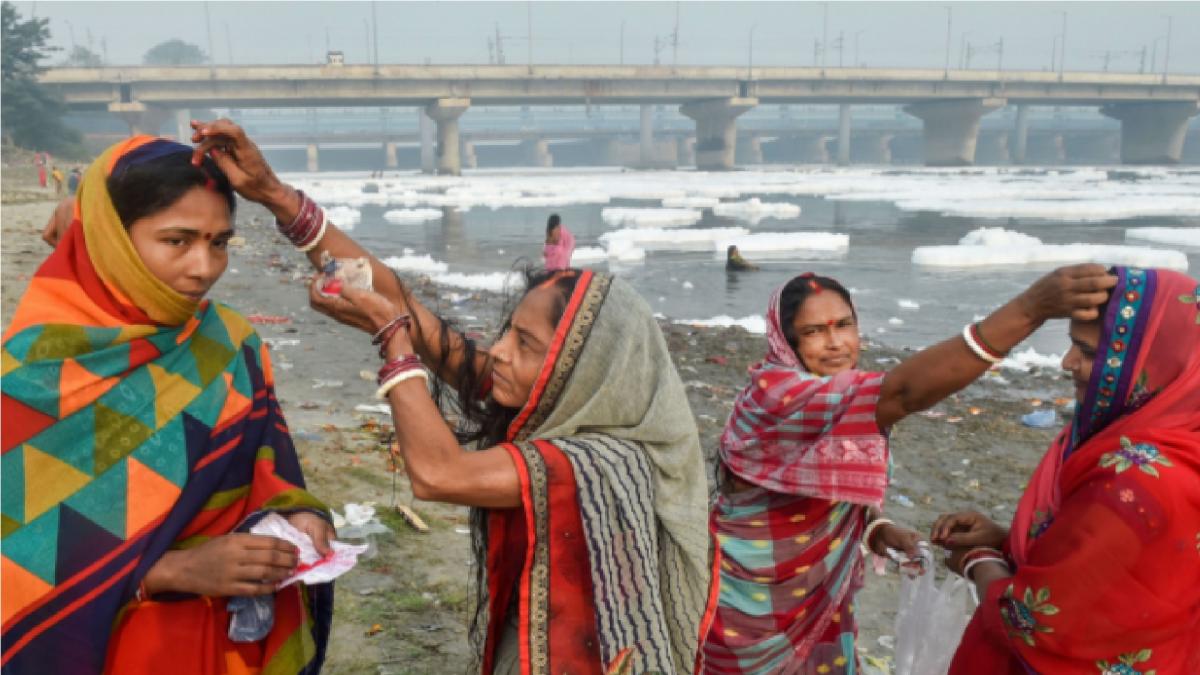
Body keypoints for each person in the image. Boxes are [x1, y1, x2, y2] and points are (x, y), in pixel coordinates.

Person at [188, 118, 717, 674]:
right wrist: (277, 197)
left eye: (526, 343)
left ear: (585, 368)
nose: (500, 352)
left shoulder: (601, 458)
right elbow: (408, 307)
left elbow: (440, 474)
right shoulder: (553, 402)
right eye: (508, 331)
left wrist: (393, 342)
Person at [0, 137, 334, 675]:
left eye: (219, 242)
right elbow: (15, 553)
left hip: (225, 641)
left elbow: (267, 464)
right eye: (177, 241)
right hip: (115, 648)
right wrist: (168, 572)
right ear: (112, 239)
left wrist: (299, 515)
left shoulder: (229, 341)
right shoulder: (33, 374)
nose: (204, 268)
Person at [703, 266, 1117, 674]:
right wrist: (1030, 309)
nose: (834, 343)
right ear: (785, 340)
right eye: (813, 332)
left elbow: (819, 487)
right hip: (751, 601)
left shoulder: (837, 397)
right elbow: (903, 392)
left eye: (844, 325)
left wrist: (874, 527)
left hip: (820, 599)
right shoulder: (779, 394)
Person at [932, 266, 1200, 675]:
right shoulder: (1176, 441)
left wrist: (980, 561)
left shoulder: (1133, 478)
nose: (1066, 362)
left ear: (1157, 362)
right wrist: (1010, 540)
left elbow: (1035, 622)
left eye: (1091, 353)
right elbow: (1124, 565)